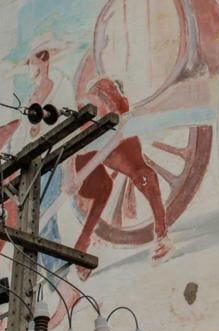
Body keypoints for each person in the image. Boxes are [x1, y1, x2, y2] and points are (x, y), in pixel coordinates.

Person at [72, 77, 172, 268]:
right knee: (106, 185)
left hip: (113, 132)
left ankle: (162, 236)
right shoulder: (87, 107)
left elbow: (121, 117)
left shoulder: (113, 104)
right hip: (95, 139)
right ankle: (83, 242)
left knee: (143, 176)